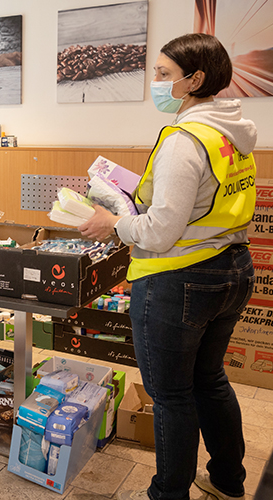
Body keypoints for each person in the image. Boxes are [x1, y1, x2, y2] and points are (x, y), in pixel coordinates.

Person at [79, 33, 256, 500]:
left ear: (194, 79)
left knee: (173, 395)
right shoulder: (229, 132)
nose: (155, 81)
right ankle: (227, 481)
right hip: (232, 267)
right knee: (209, 378)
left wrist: (112, 221)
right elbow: (200, 203)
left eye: (163, 74)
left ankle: (168, 492)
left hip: (181, 279)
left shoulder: (184, 139)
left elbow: (159, 232)